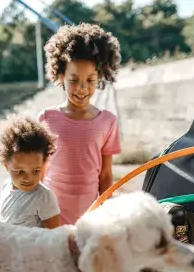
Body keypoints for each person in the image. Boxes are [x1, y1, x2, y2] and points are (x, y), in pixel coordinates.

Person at [38, 23, 122, 225]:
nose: (82, 88)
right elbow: (39, 172)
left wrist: (106, 213)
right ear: (61, 76)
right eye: (74, 80)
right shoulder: (46, 118)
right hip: (51, 215)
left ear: (99, 77)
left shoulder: (108, 122)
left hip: (90, 216)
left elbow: (105, 175)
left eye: (90, 80)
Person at [0, 115, 61, 229]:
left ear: (44, 163)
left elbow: (55, 237)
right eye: (20, 171)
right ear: (6, 165)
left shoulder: (44, 197)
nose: (28, 178)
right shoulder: (5, 186)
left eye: (36, 171)